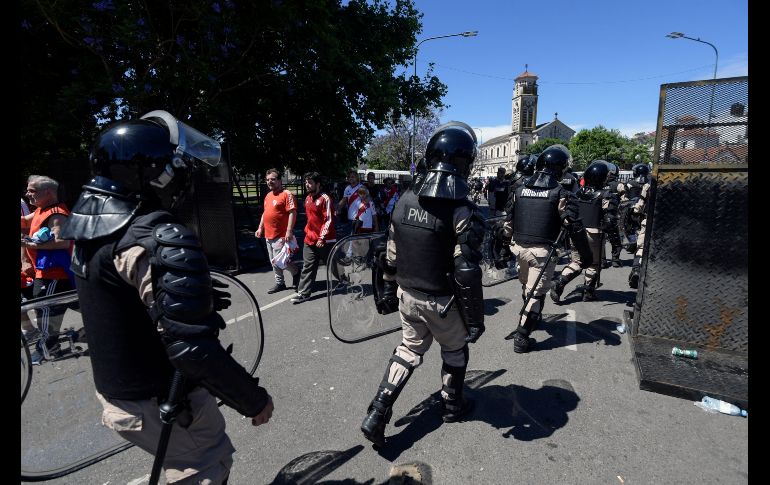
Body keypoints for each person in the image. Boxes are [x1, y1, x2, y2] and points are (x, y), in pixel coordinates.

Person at [59, 110, 273, 484]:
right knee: (207, 465)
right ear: (148, 172)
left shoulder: (92, 229)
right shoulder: (154, 237)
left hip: (118, 393)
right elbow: (192, 349)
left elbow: (120, 300)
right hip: (159, 398)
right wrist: (253, 400)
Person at [361, 121, 486, 447]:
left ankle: (378, 410)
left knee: (408, 350)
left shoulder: (404, 199)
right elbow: (467, 271)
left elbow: (388, 255)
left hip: (407, 295)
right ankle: (452, 405)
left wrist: (389, 289)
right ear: (464, 163)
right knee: (456, 350)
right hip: (442, 302)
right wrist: (475, 319)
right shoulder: (461, 209)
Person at [499, 145, 588, 353]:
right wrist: (585, 255)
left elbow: (508, 223)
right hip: (542, 253)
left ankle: (531, 318)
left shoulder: (518, 190)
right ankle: (522, 337)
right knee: (536, 294)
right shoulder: (560, 193)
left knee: (527, 287)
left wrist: (504, 248)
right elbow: (572, 225)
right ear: (560, 168)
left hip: (518, 248)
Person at [21, 175, 74, 364]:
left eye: (32, 190)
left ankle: (46, 349)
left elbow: (62, 242)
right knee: (74, 305)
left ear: (48, 192)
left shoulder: (56, 214)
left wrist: (31, 245)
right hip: (47, 273)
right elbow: (24, 222)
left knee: (45, 311)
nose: (27, 194)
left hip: (54, 275)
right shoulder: (40, 210)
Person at [550, 160, 619, 302]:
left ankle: (559, 282)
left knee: (577, 261)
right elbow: (610, 221)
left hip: (577, 232)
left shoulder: (576, 193)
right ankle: (588, 292)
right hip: (595, 234)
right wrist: (615, 242)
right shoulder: (605, 195)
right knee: (593, 264)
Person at [291, 172, 337, 304]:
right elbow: (311, 221)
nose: (307, 184)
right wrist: (310, 235)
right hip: (310, 240)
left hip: (325, 241)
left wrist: (322, 238)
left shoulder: (325, 199)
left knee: (333, 264)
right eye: (306, 182)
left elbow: (328, 220)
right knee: (308, 266)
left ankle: (345, 279)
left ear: (318, 184)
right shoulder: (307, 199)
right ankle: (304, 293)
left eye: (310, 182)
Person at [255, 168, 301, 294]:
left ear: (280, 181)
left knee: (281, 262)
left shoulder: (287, 194)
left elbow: (293, 212)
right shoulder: (268, 196)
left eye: (273, 179)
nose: (270, 182)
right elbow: (265, 213)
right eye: (268, 180)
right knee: (273, 262)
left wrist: (289, 231)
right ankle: (280, 283)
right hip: (268, 235)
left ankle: (296, 271)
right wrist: (260, 227)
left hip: (281, 235)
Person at [628, 164, 652, 289]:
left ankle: (636, 270)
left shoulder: (649, 185)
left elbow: (640, 204)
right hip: (670, 226)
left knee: (641, 247)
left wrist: (635, 212)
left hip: (648, 220)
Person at [602, 161, 625, 267]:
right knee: (615, 238)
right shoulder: (619, 185)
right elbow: (625, 201)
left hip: (599, 216)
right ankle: (615, 259)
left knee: (600, 239)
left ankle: (602, 260)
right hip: (612, 216)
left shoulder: (599, 184)